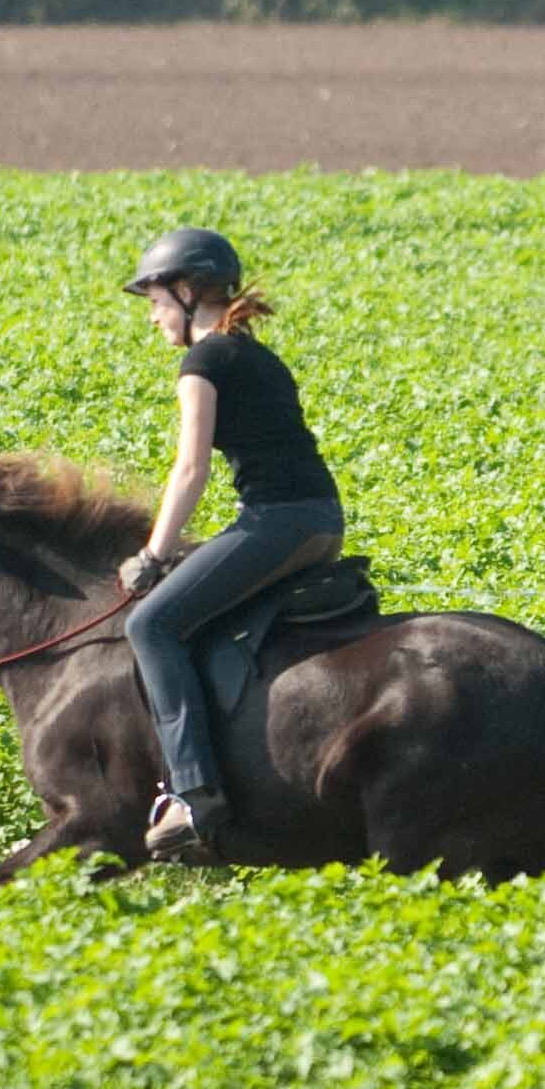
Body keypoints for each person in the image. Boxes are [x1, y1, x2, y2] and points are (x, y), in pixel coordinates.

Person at [117, 227, 345, 865]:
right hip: (319, 519)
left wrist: (154, 556)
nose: (155, 316)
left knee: (154, 625)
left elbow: (190, 470)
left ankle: (192, 795)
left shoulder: (204, 361)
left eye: (157, 301)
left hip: (278, 520)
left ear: (188, 292)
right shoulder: (257, 355)